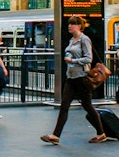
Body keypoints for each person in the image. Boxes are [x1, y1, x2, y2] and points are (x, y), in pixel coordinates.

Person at [41, 15, 106, 145]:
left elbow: (88, 58)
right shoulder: (72, 40)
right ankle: (55, 135)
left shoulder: (84, 40)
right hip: (71, 77)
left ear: (79, 26)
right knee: (64, 106)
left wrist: (73, 60)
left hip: (82, 78)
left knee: (87, 106)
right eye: (69, 24)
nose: (69, 26)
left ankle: (101, 133)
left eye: (73, 24)